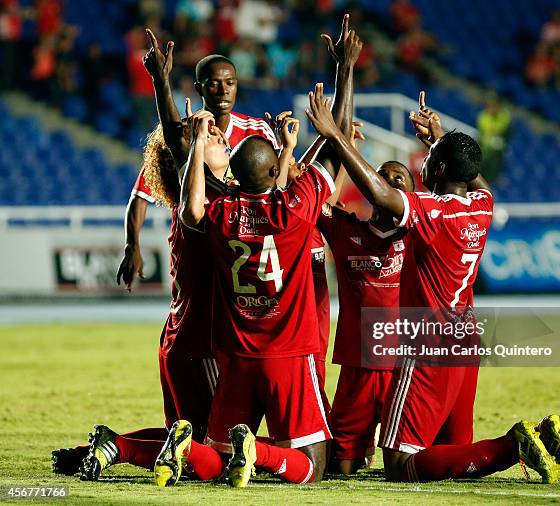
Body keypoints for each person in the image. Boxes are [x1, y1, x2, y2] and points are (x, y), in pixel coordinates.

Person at [305, 86, 560, 483]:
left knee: (402, 465)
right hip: (466, 341)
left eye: (429, 158)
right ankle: (538, 437)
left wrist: (334, 136)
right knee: (452, 456)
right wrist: (440, 140)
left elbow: (380, 193)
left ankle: (512, 446)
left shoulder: (430, 211)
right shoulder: (483, 205)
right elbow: (473, 178)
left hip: (428, 346)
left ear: (436, 171)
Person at [153, 16, 362, 489]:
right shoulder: (293, 207)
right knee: (315, 466)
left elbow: (191, 197)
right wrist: (345, 73)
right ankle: (262, 451)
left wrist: (166, 94)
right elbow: (335, 146)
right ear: (274, 174)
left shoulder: (219, 214)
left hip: (234, 354)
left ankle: (186, 446)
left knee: (211, 460)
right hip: (288, 352)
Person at [51, 122, 231, 479]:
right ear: (187, 156)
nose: (222, 136)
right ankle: (121, 448)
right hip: (201, 344)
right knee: (213, 458)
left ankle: (100, 447)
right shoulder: (203, 208)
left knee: (186, 438)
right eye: (209, 136)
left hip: (180, 340)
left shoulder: (199, 202)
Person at [116, 28, 278, 292]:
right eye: (214, 83)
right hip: (193, 244)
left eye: (230, 83)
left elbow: (277, 185)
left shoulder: (257, 131)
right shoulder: (185, 133)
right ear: (199, 88)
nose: (223, 90)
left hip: (242, 246)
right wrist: (132, 245)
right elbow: (141, 194)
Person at [321, 157, 415, 475]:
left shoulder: (420, 235)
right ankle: (359, 449)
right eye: (381, 175)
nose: (388, 179)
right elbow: (317, 202)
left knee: (407, 466)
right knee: (339, 467)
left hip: (404, 371)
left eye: (399, 176)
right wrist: (342, 156)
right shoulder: (346, 229)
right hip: (356, 368)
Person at [476, 98, 511, 183]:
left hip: (497, 149)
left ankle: (493, 179)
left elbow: (504, 126)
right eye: (490, 106)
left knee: (497, 158)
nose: (492, 108)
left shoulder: (504, 115)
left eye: (494, 106)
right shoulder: (483, 116)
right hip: (484, 145)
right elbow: (487, 128)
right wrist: (495, 130)